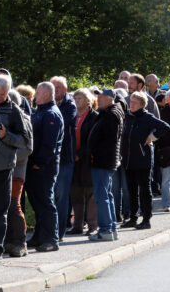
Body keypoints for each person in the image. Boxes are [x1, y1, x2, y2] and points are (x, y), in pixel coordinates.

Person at [0, 75, 28, 262]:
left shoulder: (14, 111)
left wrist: (5, 135)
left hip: (4, 168)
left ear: (8, 92)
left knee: (1, 210)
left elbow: (25, 141)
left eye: (2, 94)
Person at [120, 92, 169, 229]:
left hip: (143, 159)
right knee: (131, 190)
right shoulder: (127, 116)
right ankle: (133, 218)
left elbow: (164, 126)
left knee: (144, 190)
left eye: (135, 102)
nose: (132, 104)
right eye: (131, 101)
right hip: (128, 159)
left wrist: (152, 137)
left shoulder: (147, 117)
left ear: (142, 104)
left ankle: (146, 219)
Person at [25, 82, 64, 252]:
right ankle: (40, 236)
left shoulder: (51, 114)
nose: (35, 96)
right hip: (34, 165)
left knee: (46, 202)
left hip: (43, 167)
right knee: (37, 201)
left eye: (38, 93)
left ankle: (51, 239)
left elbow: (50, 144)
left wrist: (38, 163)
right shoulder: (40, 112)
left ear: (47, 94)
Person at [87, 88, 124, 241]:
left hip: (103, 161)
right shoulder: (109, 112)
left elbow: (109, 141)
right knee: (106, 195)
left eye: (101, 97)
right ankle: (111, 228)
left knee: (101, 196)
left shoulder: (112, 114)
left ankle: (106, 230)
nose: (98, 99)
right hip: (105, 161)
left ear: (110, 98)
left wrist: (94, 152)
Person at [4, 90, 33, 258]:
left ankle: (21, 242)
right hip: (3, 170)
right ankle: (9, 240)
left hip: (16, 170)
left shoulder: (24, 120)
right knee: (5, 206)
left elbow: (27, 148)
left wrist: (7, 158)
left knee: (14, 205)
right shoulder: (7, 119)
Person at [68, 89, 99, 236]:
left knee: (90, 193)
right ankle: (78, 225)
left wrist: (79, 154)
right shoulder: (73, 116)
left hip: (88, 160)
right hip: (74, 160)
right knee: (76, 192)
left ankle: (93, 225)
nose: (76, 101)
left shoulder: (94, 117)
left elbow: (93, 140)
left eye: (80, 98)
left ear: (88, 100)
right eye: (75, 98)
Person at [50, 76, 77, 240]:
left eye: (58, 87)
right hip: (49, 157)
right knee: (49, 195)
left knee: (61, 195)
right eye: (53, 87)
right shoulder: (46, 105)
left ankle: (59, 231)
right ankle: (47, 230)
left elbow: (58, 123)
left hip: (65, 158)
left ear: (65, 90)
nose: (55, 90)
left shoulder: (70, 105)